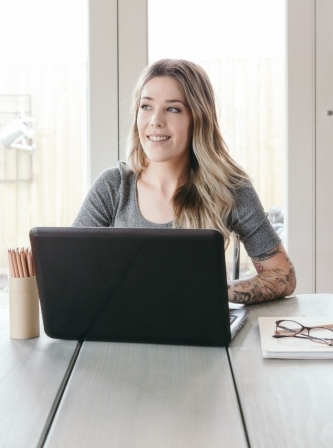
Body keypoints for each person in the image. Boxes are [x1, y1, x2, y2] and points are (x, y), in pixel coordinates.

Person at [73, 59, 296, 304]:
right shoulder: (113, 187)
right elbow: (68, 268)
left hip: (199, 334)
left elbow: (283, 275)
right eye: (146, 106)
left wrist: (221, 292)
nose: (155, 120)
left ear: (198, 118)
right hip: (120, 330)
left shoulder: (229, 188)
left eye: (173, 109)